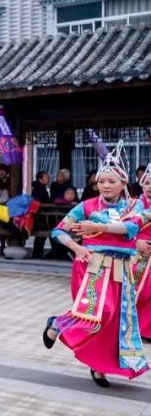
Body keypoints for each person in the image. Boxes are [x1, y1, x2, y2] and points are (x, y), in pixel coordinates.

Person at [43, 142, 147, 387]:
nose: (106, 186)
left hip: (122, 268)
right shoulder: (87, 206)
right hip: (93, 266)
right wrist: (77, 247)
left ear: (123, 183)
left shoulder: (136, 205)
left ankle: (98, 367)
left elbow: (131, 229)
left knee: (115, 320)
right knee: (100, 313)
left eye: (111, 181)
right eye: (102, 181)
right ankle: (59, 324)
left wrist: (98, 228)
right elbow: (58, 231)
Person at [132, 165, 151, 340]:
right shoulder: (134, 204)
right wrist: (135, 241)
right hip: (138, 256)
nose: (150, 186)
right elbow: (124, 229)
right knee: (138, 291)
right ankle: (130, 326)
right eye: (147, 183)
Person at [30, 170, 52, 259]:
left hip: (41, 216)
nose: (49, 178)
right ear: (41, 179)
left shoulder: (39, 187)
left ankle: (37, 254)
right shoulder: (39, 188)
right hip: (40, 216)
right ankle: (37, 254)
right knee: (41, 236)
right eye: (46, 177)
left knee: (41, 236)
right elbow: (39, 201)